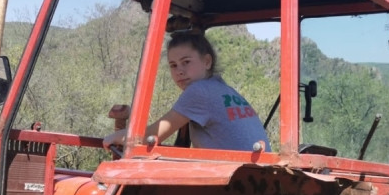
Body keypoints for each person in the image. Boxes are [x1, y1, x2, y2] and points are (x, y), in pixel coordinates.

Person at [102, 32, 271, 152]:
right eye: (173, 65)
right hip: (256, 178)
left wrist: (116, 137)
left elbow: (150, 137)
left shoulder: (200, 91)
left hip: (236, 184)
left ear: (207, 61)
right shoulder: (224, 90)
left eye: (186, 62)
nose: (179, 71)